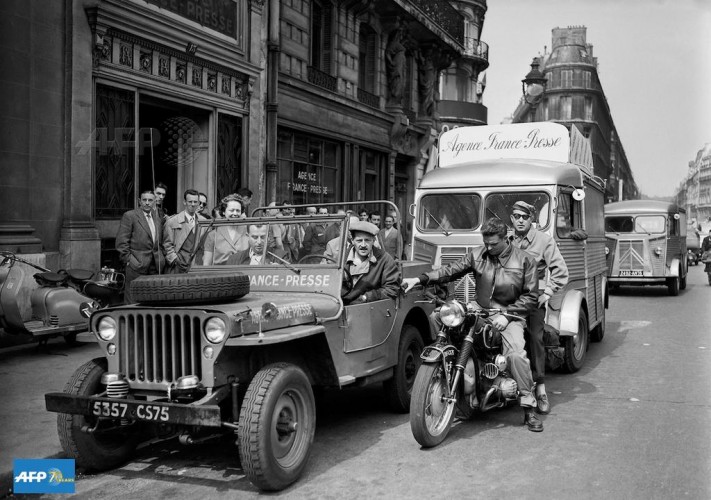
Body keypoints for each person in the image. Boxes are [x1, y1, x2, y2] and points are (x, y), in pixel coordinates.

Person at [402, 217, 543, 432]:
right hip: (479, 307)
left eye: (493, 243)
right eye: (485, 242)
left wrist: (507, 315)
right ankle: (451, 373)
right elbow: (450, 270)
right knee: (440, 317)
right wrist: (420, 279)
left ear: (506, 239)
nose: (488, 247)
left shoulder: (524, 260)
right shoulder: (478, 254)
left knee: (515, 354)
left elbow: (531, 297)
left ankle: (528, 406)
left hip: (510, 314)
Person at [509, 201, 569, 415]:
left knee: (535, 339)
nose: (520, 220)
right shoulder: (507, 240)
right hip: (509, 300)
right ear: (512, 219)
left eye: (525, 216)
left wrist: (548, 293)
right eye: (516, 216)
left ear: (532, 219)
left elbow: (561, 271)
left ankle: (541, 389)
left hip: (533, 299)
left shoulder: (544, 241)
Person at [115, 189, 166, 304]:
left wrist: (161, 258)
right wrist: (130, 260)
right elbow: (121, 243)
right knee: (133, 300)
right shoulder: (130, 216)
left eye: (150, 200)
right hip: (136, 265)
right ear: (139, 201)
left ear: (154, 202)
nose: (147, 203)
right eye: (144, 200)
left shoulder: (157, 217)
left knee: (152, 299)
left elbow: (160, 241)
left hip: (155, 265)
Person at [341, 220, 401, 305]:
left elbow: (392, 289)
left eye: (367, 240)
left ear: (373, 241)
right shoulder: (341, 258)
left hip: (370, 308)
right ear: (352, 241)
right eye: (359, 240)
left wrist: (367, 297)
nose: (363, 245)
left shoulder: (384, 259)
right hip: (342, 307)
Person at [201, 194, 248, 265]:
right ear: (223, 212)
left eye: (238, 210)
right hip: (220, 274)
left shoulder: (247, 231)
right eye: (231, 210)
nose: (235, 213)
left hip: (243, 273)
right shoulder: (213, 234)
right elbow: (207, 264)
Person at [163, 189, 201, 273]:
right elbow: (167, 245)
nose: (193, 204)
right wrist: (175, 260)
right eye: (190, 201)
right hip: (177, 267)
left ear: (198, 203)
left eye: (195, 202)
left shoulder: (203, 221)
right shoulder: (172, 221)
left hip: (196, 267)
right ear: (184, 202)